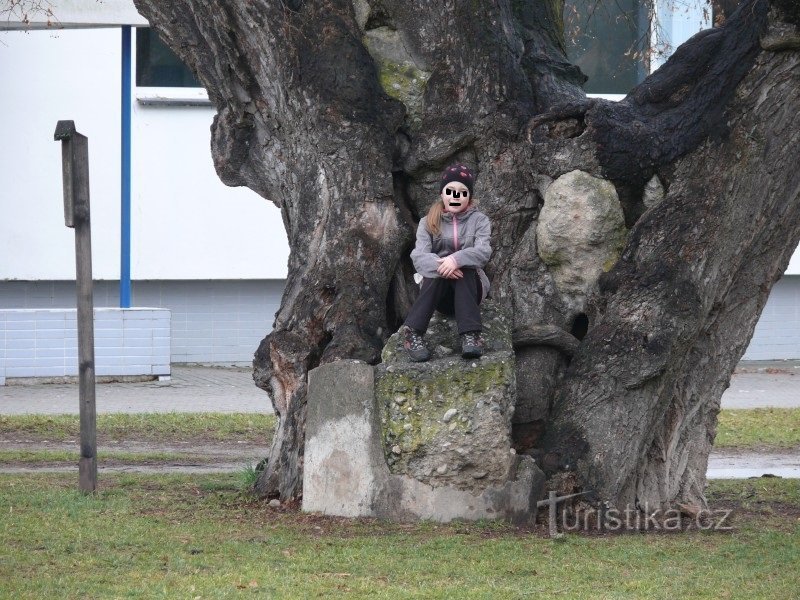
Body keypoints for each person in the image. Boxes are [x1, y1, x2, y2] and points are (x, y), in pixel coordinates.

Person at [402, 164, 492, 362]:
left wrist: (455, 260)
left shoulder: (480, 220)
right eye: (450, 191)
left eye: (462, 192)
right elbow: (418, 256)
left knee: (465, 268)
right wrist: (442, 266)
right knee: (437, 272)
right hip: (439, 296)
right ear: (442, 194)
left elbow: (483, 251)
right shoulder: (428, 222)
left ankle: (471, 335)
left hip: (469, 291)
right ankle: (413, 333)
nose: (455, 196)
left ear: (469, 196)